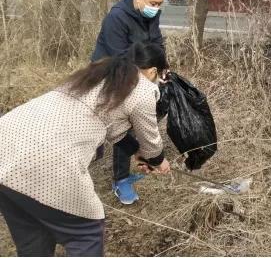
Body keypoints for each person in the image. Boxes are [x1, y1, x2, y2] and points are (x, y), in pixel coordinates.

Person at [0, 42, 171, 256]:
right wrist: (157, 161)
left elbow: (111, 126)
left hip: (5, 142)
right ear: (153, 71)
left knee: (33, 238)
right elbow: (151, 141)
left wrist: (136, 151)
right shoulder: (143, 87)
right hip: (45, 157)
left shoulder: (99, 73)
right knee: (86, 232)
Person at [91, 0, 167, 205]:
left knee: (131, 122)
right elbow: (119, 57)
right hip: (109, 72)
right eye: (153, 4)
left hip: (140, 71)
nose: (156, 9)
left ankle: (123, 172)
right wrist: (143, 82)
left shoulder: (150, 15)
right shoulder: (117, 18)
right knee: (114, 122)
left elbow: (156, 42)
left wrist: (162, 67)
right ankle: (118, 177)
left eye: (159, 4)